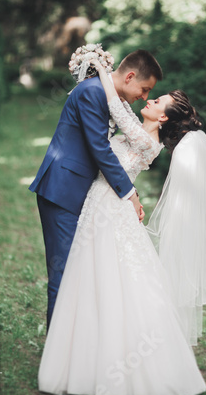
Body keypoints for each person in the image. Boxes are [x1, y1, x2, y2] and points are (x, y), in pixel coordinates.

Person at [38, 56, 206, 395]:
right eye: (148, 92)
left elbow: (116, 108)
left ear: (164, 118)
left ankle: (102, 363)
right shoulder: (142, 134)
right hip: (101, 204)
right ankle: (81, 356)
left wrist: (97, 64)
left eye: (155, 100)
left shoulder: (144, 139)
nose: (147, 99)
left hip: (109, 210)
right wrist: (99, 70)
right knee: (90, 280)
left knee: (110, 282)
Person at [29, 48, 163, 330]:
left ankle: (74, 345)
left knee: (80, 272)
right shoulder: (92, 92)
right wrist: (130, 193)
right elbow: (100, 149)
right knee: (63, 274)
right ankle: (56, 355)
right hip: (62, 190)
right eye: (145, 88)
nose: (145, 97)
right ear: (129, 76)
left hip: (81, 192)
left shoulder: (107, 95)